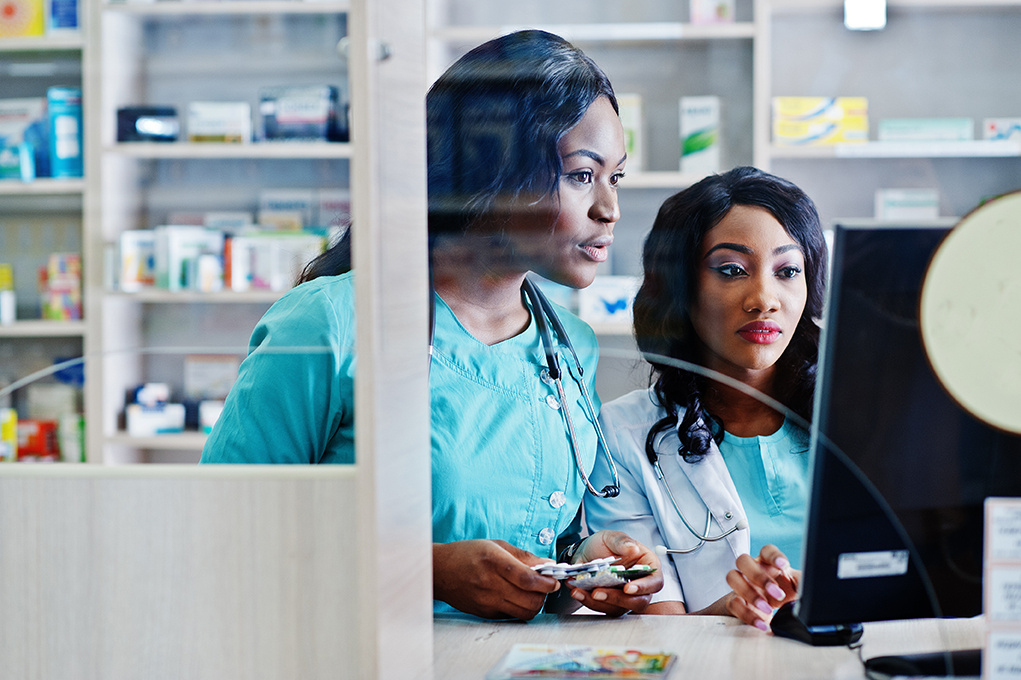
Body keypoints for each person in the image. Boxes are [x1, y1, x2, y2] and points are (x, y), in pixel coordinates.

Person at [201, 29, 662, 620]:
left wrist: (590, 567)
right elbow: (220, 530)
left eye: (615, 178)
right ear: (489, 170)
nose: (609, 209)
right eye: (580, 175)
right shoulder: (328, 323)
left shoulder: (572, 347)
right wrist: (428, 570)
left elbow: (550, 538)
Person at [584, 167, 828, 629]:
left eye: (787, 271)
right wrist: (744, 608)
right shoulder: (622, 436)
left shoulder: (861, 420)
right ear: (680, 289)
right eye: (732, 270)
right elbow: (658, 624)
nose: (764, 299)